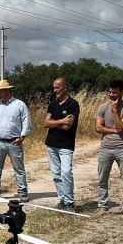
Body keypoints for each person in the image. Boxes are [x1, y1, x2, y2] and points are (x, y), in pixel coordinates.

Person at [0, 80, 32, 202]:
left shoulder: (19, 105)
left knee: (19, 168)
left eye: (0, 91)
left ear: (7, 90)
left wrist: (22, 137)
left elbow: (27, 122)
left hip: (14, 142)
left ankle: (22, 192)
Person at [95, 79, 123, 220]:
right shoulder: (101, 107)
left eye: (115, 92)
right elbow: (98, 128)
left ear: (122, 93)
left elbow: (121, 126)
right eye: (110, 92)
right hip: (105, 147)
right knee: (102, 178)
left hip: (122, 148)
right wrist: (119, 131)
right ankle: (102, 206)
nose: (111, 95)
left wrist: (114, 111)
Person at [44, 77, 79, 211]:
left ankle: (70, 201)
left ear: (65, 87)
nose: (55, 90)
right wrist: (61, 121)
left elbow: (67, 126)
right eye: (54, 88)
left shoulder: (73, 104)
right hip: (51, 143)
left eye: (57, 87)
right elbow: (45, 123)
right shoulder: (53, 104)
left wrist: (53, 123)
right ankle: (62, 200)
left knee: (66, 172)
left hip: (66, 144)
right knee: (56, 174)